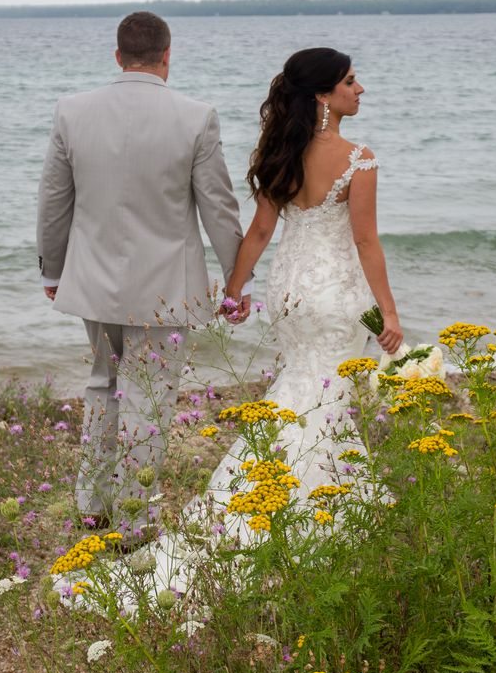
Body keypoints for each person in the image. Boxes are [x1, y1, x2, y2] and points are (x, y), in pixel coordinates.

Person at [57, 46, 402, 609]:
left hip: (289, 295)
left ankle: (281, 499)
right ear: (323, 95)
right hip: (335, 295)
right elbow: (365, 242)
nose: (359, 90)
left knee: (298, 389)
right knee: (328, 398)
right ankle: (328, 512)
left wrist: (236, 289)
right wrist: (388, 311)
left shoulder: (280, 154)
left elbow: (261, 233)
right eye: (350, 81)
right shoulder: (358, 160)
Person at [36, 11, 245, 539]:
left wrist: (53, 268)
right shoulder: (197, 116)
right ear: (167, 56)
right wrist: (236, 279)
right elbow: (218, 207)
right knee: (148, 397)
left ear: (118, 56)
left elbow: (55, 200)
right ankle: (134, 520)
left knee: (103, 383)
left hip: (93, 282)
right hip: (164, 290)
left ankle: (92, 505)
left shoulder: (72, 111)